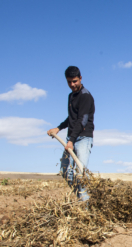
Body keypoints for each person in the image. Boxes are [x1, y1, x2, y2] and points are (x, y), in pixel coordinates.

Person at [47, 66, 95, 202]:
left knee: (80, 174)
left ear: (80, 78)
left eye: (75, 81)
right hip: (72, 138)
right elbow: (72, 118)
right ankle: (82, 199)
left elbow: (82, 120)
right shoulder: (71, 96)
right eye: (69, 82)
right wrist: (58, 128)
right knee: (65, 170)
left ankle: (86, 206)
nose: (72, 85)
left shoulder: (86, 96)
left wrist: (71, 141)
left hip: (83, 138)